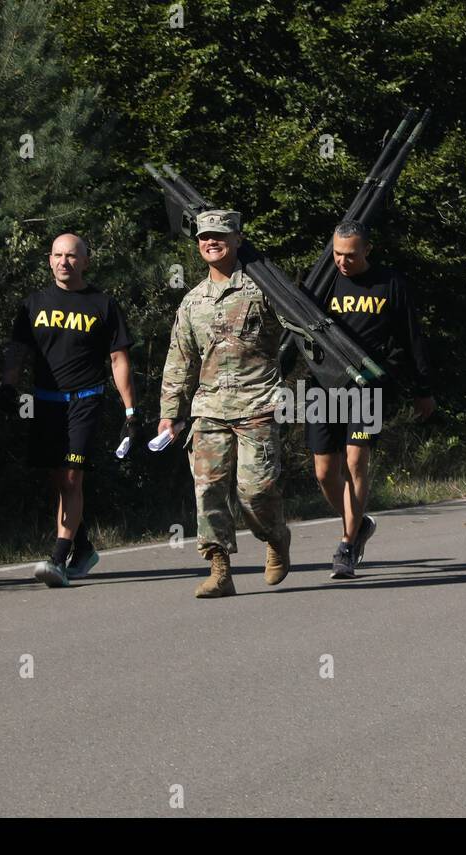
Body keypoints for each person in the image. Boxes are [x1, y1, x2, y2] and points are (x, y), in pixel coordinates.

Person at [157, 209, 292, 598]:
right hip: (209, 409)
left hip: (257, 404)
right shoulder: (193, 302)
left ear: (237, 240)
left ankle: (275, 537)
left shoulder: (264, 289)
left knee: (255, 492)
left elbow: (302, 326)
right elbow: (180, 360)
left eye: (220, 235)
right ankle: (220, 570)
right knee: (208, 490)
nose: (211, 242)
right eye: (204, 237)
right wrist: (170, 414)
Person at [0, 234, 138, 588]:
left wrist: (130, 411)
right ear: (49, 260)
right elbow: (18, 350)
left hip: (85, 399)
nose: (65, 262)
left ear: (85, 262)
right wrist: (7, 386)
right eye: (58, 255)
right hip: (45, 402)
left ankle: (58, 558)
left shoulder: (103, 305)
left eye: (72, 256)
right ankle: (85, 546)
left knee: (73, 477)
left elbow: (119, 359)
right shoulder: (33, 304)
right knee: (60, 481)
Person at [307, 220, 434, 579]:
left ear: (367, 250)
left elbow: (413, 338)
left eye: (350, 255)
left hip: (367, 385)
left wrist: (423, 389)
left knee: (356, 461)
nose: (343, 262)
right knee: (323, 471)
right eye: (337, 254)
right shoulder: (322, 281)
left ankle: (346, 545)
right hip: (321, 385)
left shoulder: (390, 283)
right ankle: (359, 524)